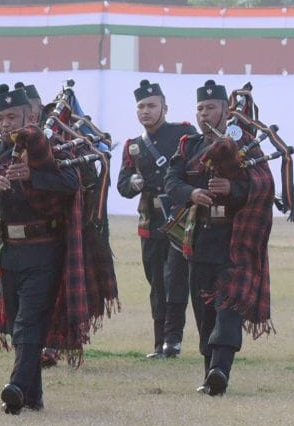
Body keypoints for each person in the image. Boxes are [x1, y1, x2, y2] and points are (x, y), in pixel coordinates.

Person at [0, 83, 95, 414]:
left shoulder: (53, 147)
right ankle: (32, 396)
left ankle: (16, 388)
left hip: (44, 248)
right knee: (19, 323)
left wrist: (34, 175)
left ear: (31, 115)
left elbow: (72, 183)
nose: (5, 124)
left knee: (29, 321)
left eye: (12, 117)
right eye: (0, 117)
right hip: (9, 248)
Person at [161, 81, 279, 398]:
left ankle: (221, 369)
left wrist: (233, 190)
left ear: (226, 110)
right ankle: (209, 372)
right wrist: (192, 192)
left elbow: (265, 185)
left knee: (229, 307)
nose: (204, 114)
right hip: (200, 240)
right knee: (204, 312)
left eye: (210, 108)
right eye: (200, 108)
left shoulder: (247, 146)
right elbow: (172, 180)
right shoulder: (188, 146)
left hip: (236, 239)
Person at [118, 79, 195, 359]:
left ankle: (172, 341)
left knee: (175, 281)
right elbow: (122, 184)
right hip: (150, 222)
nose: (146, 111)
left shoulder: (184, 133)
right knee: (156, 284)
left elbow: (196, 166)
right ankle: (158, 341)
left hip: (178, 219)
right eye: (141, 106)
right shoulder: (133, 146)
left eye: (151, 105)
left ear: (165, 107)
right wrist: (134, 183)